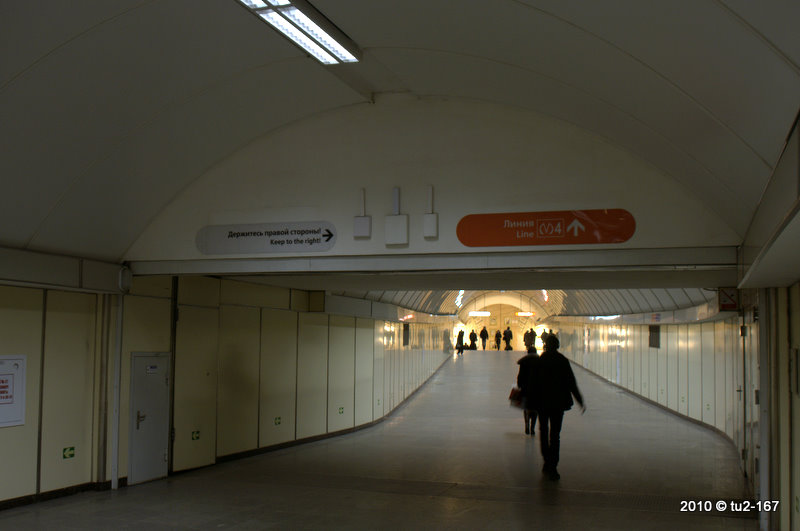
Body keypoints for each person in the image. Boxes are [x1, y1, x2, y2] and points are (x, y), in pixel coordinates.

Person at [534, 334, 585, 480]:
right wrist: (579, 400)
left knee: (543, 432)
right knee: (555, 435)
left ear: (546, 345)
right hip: (558, 403)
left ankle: (546, 461)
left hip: (543, 403)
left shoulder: (541, 360)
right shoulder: (562, 361)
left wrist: (530, 401)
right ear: (557, 346)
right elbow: (571, 382)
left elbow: (534, 382)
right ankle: (553, 466)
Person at [516, 349, 539, 436]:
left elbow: (520, 375)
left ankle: (527, 424)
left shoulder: (524, 362)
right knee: (535, 408)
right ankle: (532, 427)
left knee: (526, 407)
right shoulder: (540, 361)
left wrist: (519, 385)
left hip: (525, 388)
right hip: (536, 389)